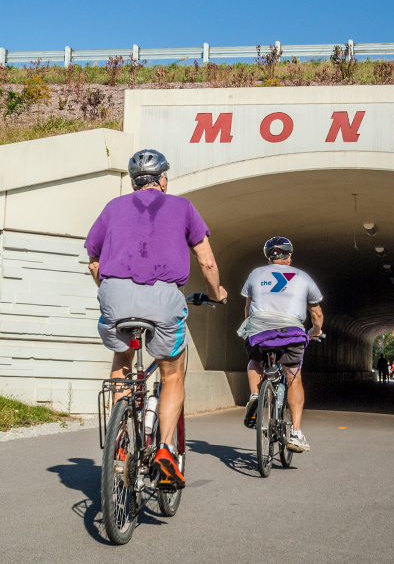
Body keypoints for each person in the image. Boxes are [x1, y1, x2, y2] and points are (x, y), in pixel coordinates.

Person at [85, 149, 228, 489]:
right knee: (171, 371)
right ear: (163, 179)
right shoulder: (183, 207)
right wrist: (217, 292)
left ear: (135, 182)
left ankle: (119, 445)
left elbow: (93, 262)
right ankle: (164, 450)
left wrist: (110, 292)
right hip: (163, 298)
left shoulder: (112, 207)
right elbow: (206, 262)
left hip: (115, 296)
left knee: (123, 357)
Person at [239, 236, 323, 452]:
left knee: (254, 361)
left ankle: (256, 397)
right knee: (294, 378)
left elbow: (248, 309)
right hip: (291, 333)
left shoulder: (255, 274)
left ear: (268, 258)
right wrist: (315, 331)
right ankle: (295, 433)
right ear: (289, 256)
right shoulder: (303, 277)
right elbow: (317, 313)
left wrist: (251, 326)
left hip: (259, 332)